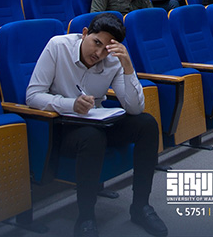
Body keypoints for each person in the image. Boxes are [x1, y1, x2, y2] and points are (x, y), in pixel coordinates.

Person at [26, 13, 167, 237]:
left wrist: (128, 67)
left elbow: (134, 108)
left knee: (147, 124)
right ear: (85, 34)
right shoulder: (58, 46)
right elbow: (33, 96)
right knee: (92, 137)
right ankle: (86, 217)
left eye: (106, 49)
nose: (99, 54)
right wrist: (71, 104)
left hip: (96, 121)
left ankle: (141, 206)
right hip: (62, 126)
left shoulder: (113, 60)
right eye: (96, 43)